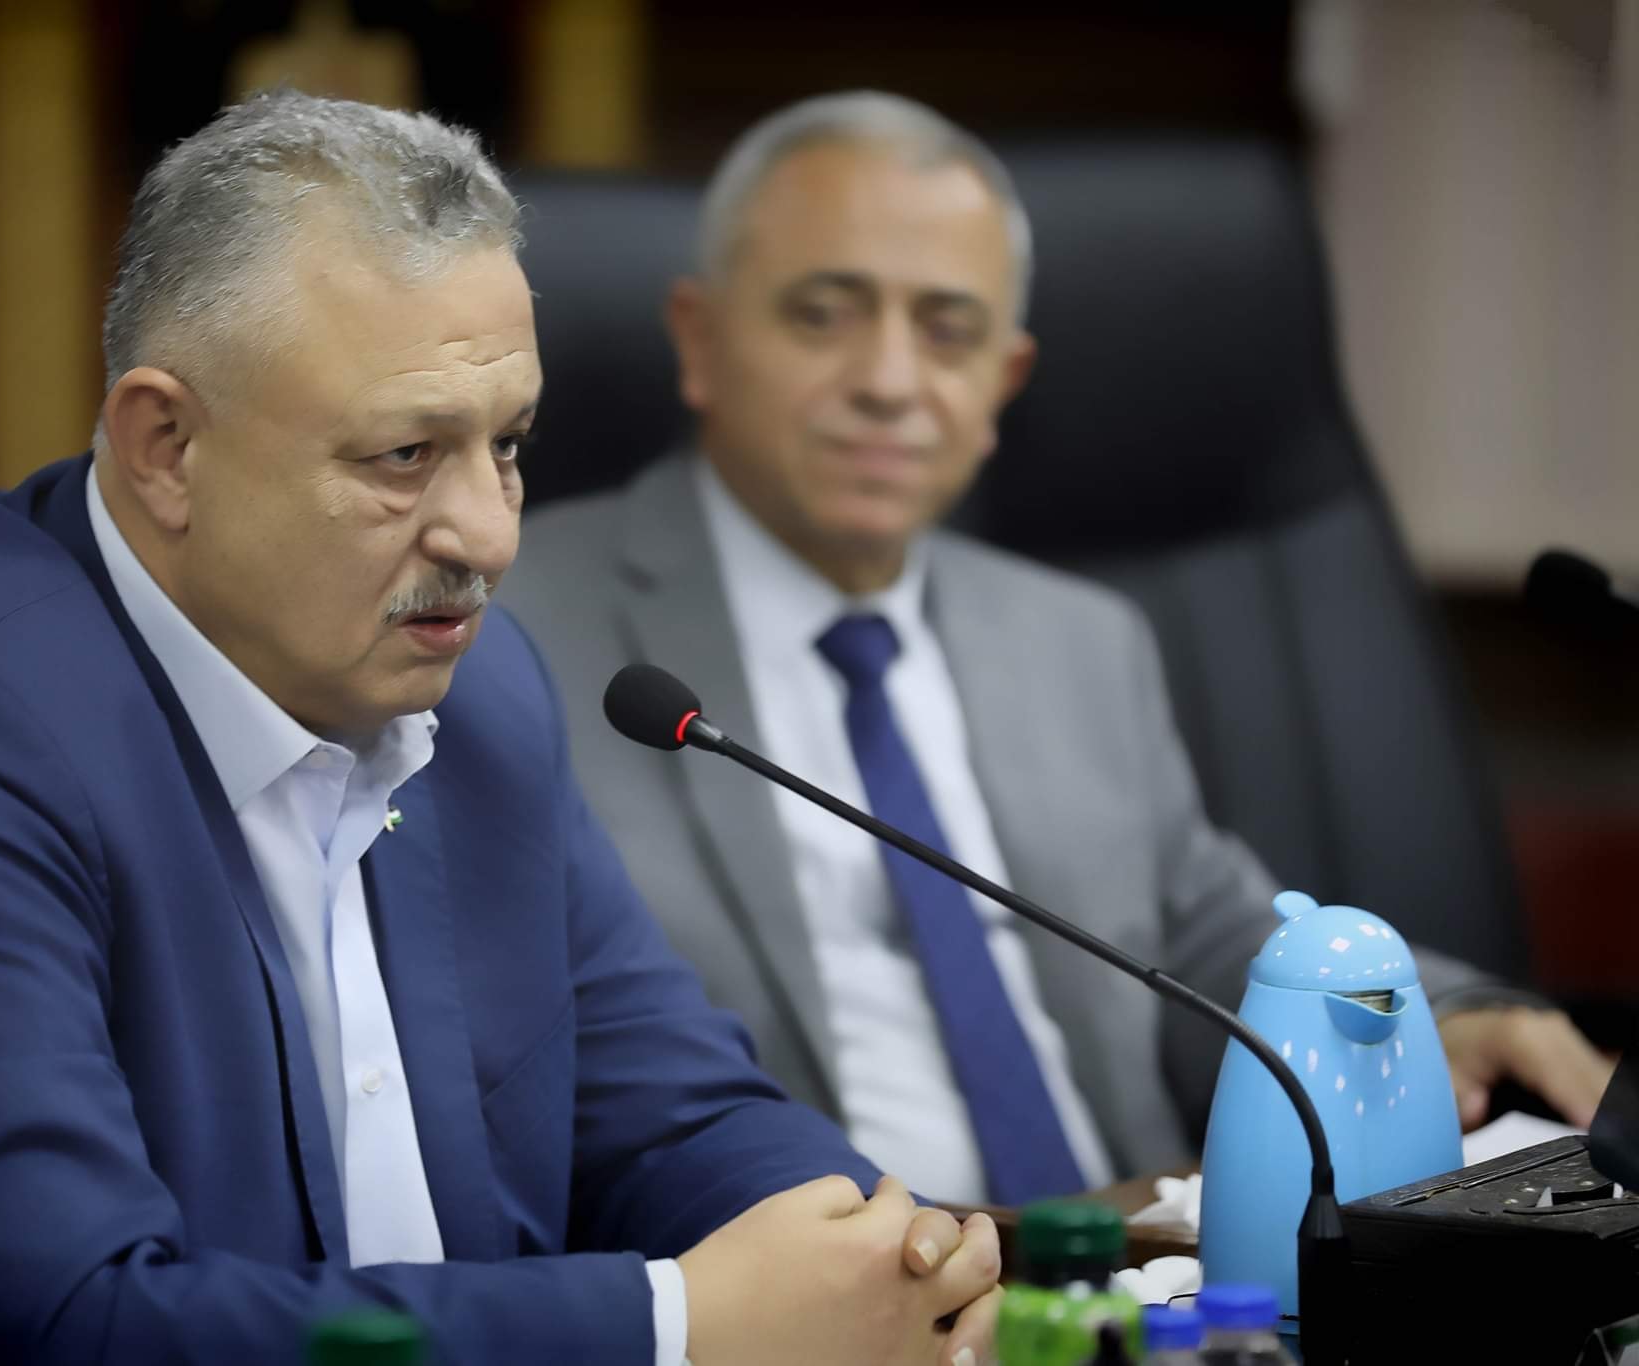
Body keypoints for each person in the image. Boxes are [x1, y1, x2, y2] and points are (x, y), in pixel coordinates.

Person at [0, 91, 1004, 1366]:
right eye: (403, 456)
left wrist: (889, 1263)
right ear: (165, 447)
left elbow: (670, 1110)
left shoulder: (476, 690)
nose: (485, 536)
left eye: (508, 445)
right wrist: (673, 1325)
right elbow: (81, 1321)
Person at [505, 90, 1614, 1206]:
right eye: (823, 315)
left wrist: (1437, 1014)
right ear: (698, 339)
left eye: (949, 331)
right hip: (813, 1261)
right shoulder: (515, 631)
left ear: (1003, 381)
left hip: (1135, 1252)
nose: (888, 381)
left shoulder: (1079, 638)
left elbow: (1212, 936)